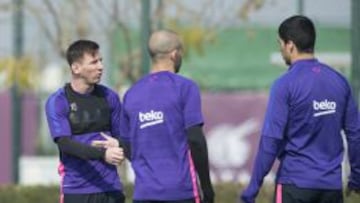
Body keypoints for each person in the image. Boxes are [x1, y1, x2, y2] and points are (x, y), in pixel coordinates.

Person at [240, 15, 360, 203]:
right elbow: (355, 134)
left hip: (294, 185)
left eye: (280, 43)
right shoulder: (340, 82)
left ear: (290, 45)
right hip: (331, 189)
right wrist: (357, 176)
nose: (280, 49)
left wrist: (252, 189)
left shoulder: (284, 85)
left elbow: (270, 141)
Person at [93, 30, 215, 203]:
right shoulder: (185, 87)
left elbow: (128, 147)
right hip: (181, 192)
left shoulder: (131, 94)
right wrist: (207, 187)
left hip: (144, 194)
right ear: (174, 54)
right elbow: (195, 140)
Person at [45, 39, 126, 203]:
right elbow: (65, 144)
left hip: (111, 189)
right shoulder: (58, 101)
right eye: (94, 62)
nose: (100, 67)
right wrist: (103, 154)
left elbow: (124, 139)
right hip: (77, 191)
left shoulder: (110, 97)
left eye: (101, 61)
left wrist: (119, 144)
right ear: (76, 68)